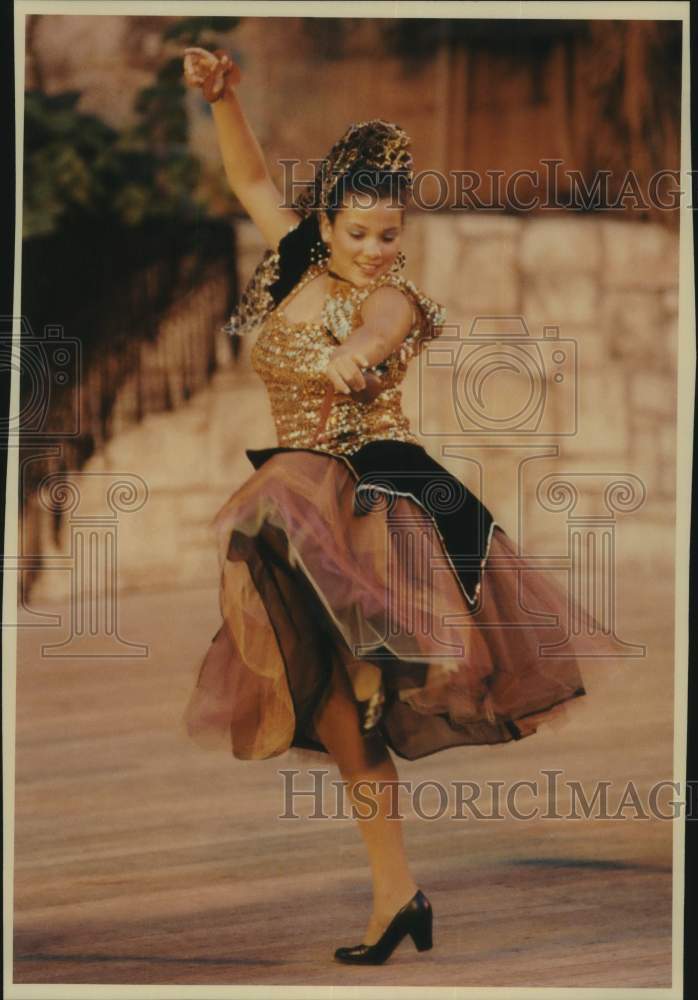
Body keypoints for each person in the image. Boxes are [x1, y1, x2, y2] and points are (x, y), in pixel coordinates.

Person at [181, 47, 600, 966]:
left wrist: (352, 357)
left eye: (389, 234)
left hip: (370, 491)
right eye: (361, 232)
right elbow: (248, 176)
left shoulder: (395, 302)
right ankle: (395, 894)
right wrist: (224, 99)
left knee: (354, 671)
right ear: (326, 222)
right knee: (333, 718)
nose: (377, 249)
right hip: (299, 493)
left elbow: (378, 331)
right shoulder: (295, 265)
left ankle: (387, 663)